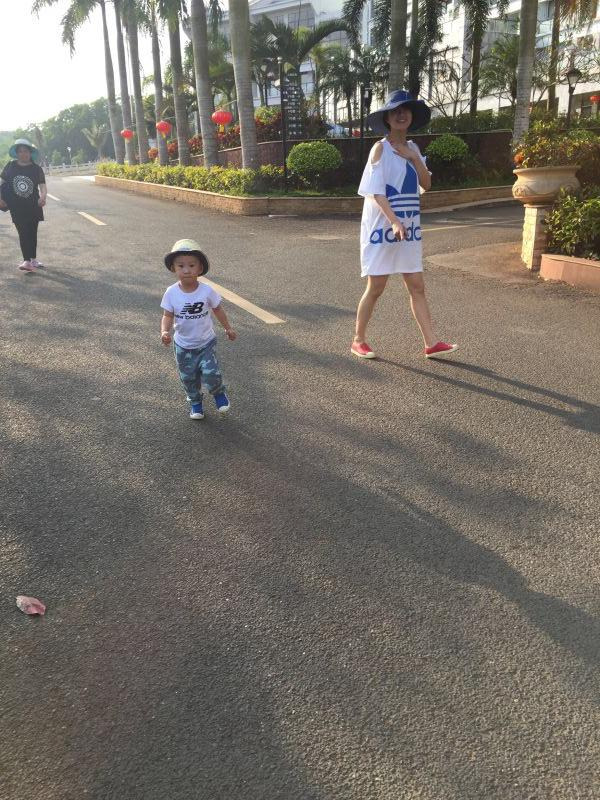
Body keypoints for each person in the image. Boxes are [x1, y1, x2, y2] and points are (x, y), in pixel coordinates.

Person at [351, 91, 458, 360]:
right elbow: (376, 191)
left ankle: (431, 343)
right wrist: (394, 221)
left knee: (417, 286)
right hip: (383, 228)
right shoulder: (380, 149)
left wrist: (413, 157)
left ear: (411, 116)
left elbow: (426, 184)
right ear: (387, 118)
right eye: (395, 111)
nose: (401, 115)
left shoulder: (414, 148)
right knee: (376, 287)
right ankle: (358, 340)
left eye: (406, 110)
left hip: (408, 227)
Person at [160, 239, 237, 420]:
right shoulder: (171, 292)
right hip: (183, 345)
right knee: (188, 377)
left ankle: (218, 393)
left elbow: (218, 309)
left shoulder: (206, 291)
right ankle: (195, 402)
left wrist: (228, 328)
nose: (186, 270)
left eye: (191, 265)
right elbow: (167, 315)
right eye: (181, 266)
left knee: (210, 373)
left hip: (206, 342)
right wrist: (164, 331)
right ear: (173, 268)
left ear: (200, 268)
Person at [0, 139, 47, 272]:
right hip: (16, 206)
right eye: (20, 151)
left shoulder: (36, 169)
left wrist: (43, 196)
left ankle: (33, 259)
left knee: (32, 232)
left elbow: (42, 186)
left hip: (33, 205)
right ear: (16, 153)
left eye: (25, 151)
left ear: (30, 153)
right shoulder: (10, 166)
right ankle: (26, 261)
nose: (23, 154)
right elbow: (1, 182)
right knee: (23, 232)